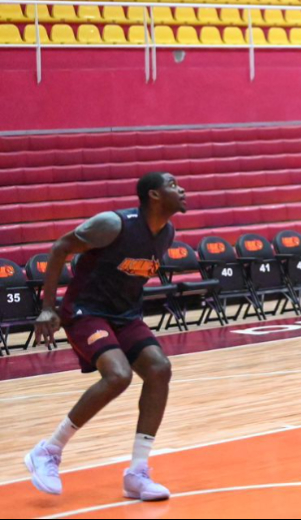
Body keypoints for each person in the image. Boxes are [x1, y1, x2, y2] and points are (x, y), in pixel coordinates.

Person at [24, 173, 187, 502]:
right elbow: (60, 248)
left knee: (159, 369)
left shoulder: (166, 233)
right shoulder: (113, 224)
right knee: (118, 375)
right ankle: (48, 450)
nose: (181, 188)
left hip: (125, 315)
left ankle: (137, 474)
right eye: (173, 184)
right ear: (154, 195)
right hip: (86, 311)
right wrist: (47, 308)